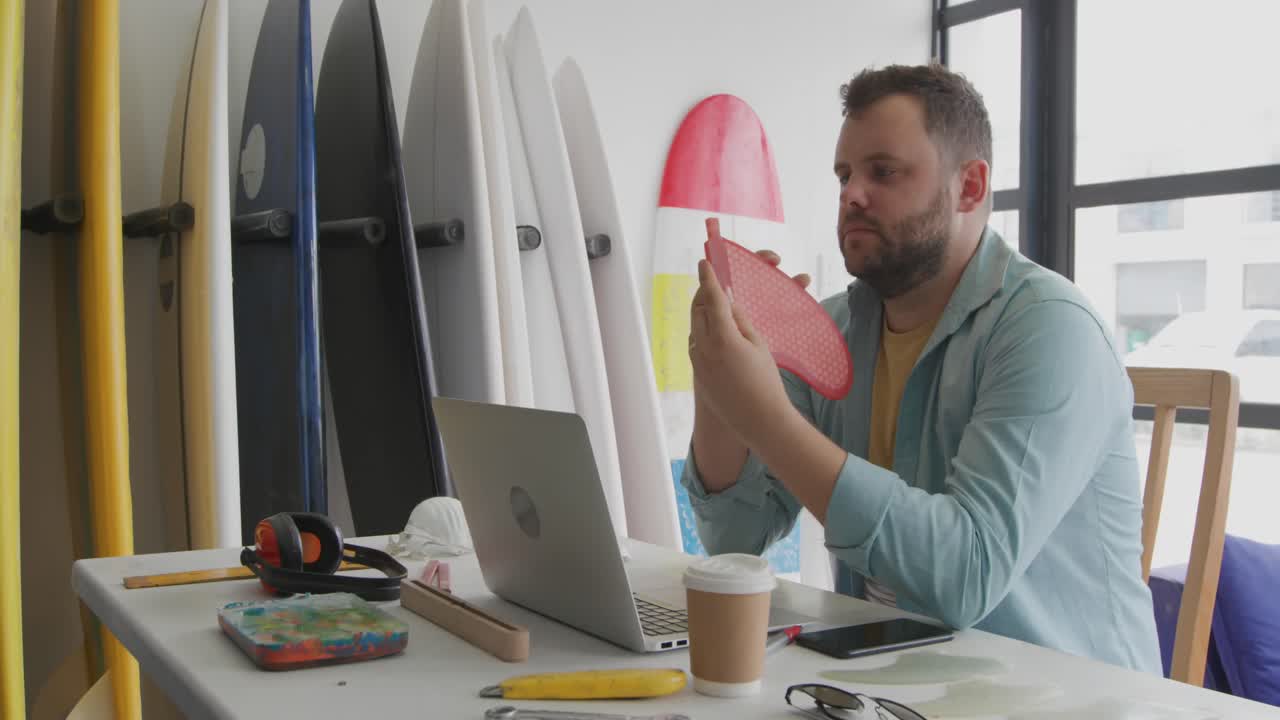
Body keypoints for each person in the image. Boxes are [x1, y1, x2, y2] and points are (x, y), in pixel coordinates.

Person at [681, 63, 1162, 673]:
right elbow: (733, 540)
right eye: (845, 174)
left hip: (1065, 697)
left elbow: (966, 575)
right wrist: (717, 375)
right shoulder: (832, 331)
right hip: (898, 682)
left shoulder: (1050, 328)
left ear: (970, 186)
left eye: (883, 171)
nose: (852, 193)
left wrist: (767, 418)